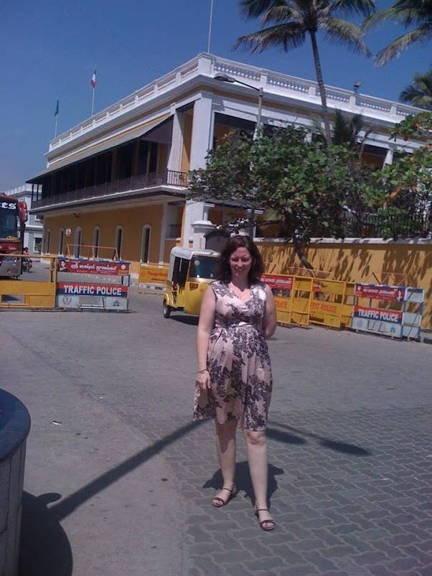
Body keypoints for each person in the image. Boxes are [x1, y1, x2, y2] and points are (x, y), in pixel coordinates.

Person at [193, 235, 277, 531]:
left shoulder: (264, 290)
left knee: (256, 433)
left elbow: (268, 329)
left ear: (253, 260)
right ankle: (227, 485)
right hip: (221, 367)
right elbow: (203, 330)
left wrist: (251, 333)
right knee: (224, 427)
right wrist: (203, 369)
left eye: (245, 258)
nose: (240, 263)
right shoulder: (214, 290)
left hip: (256, 369)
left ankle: (262, 503)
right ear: (227, 260)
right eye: (235, 258)